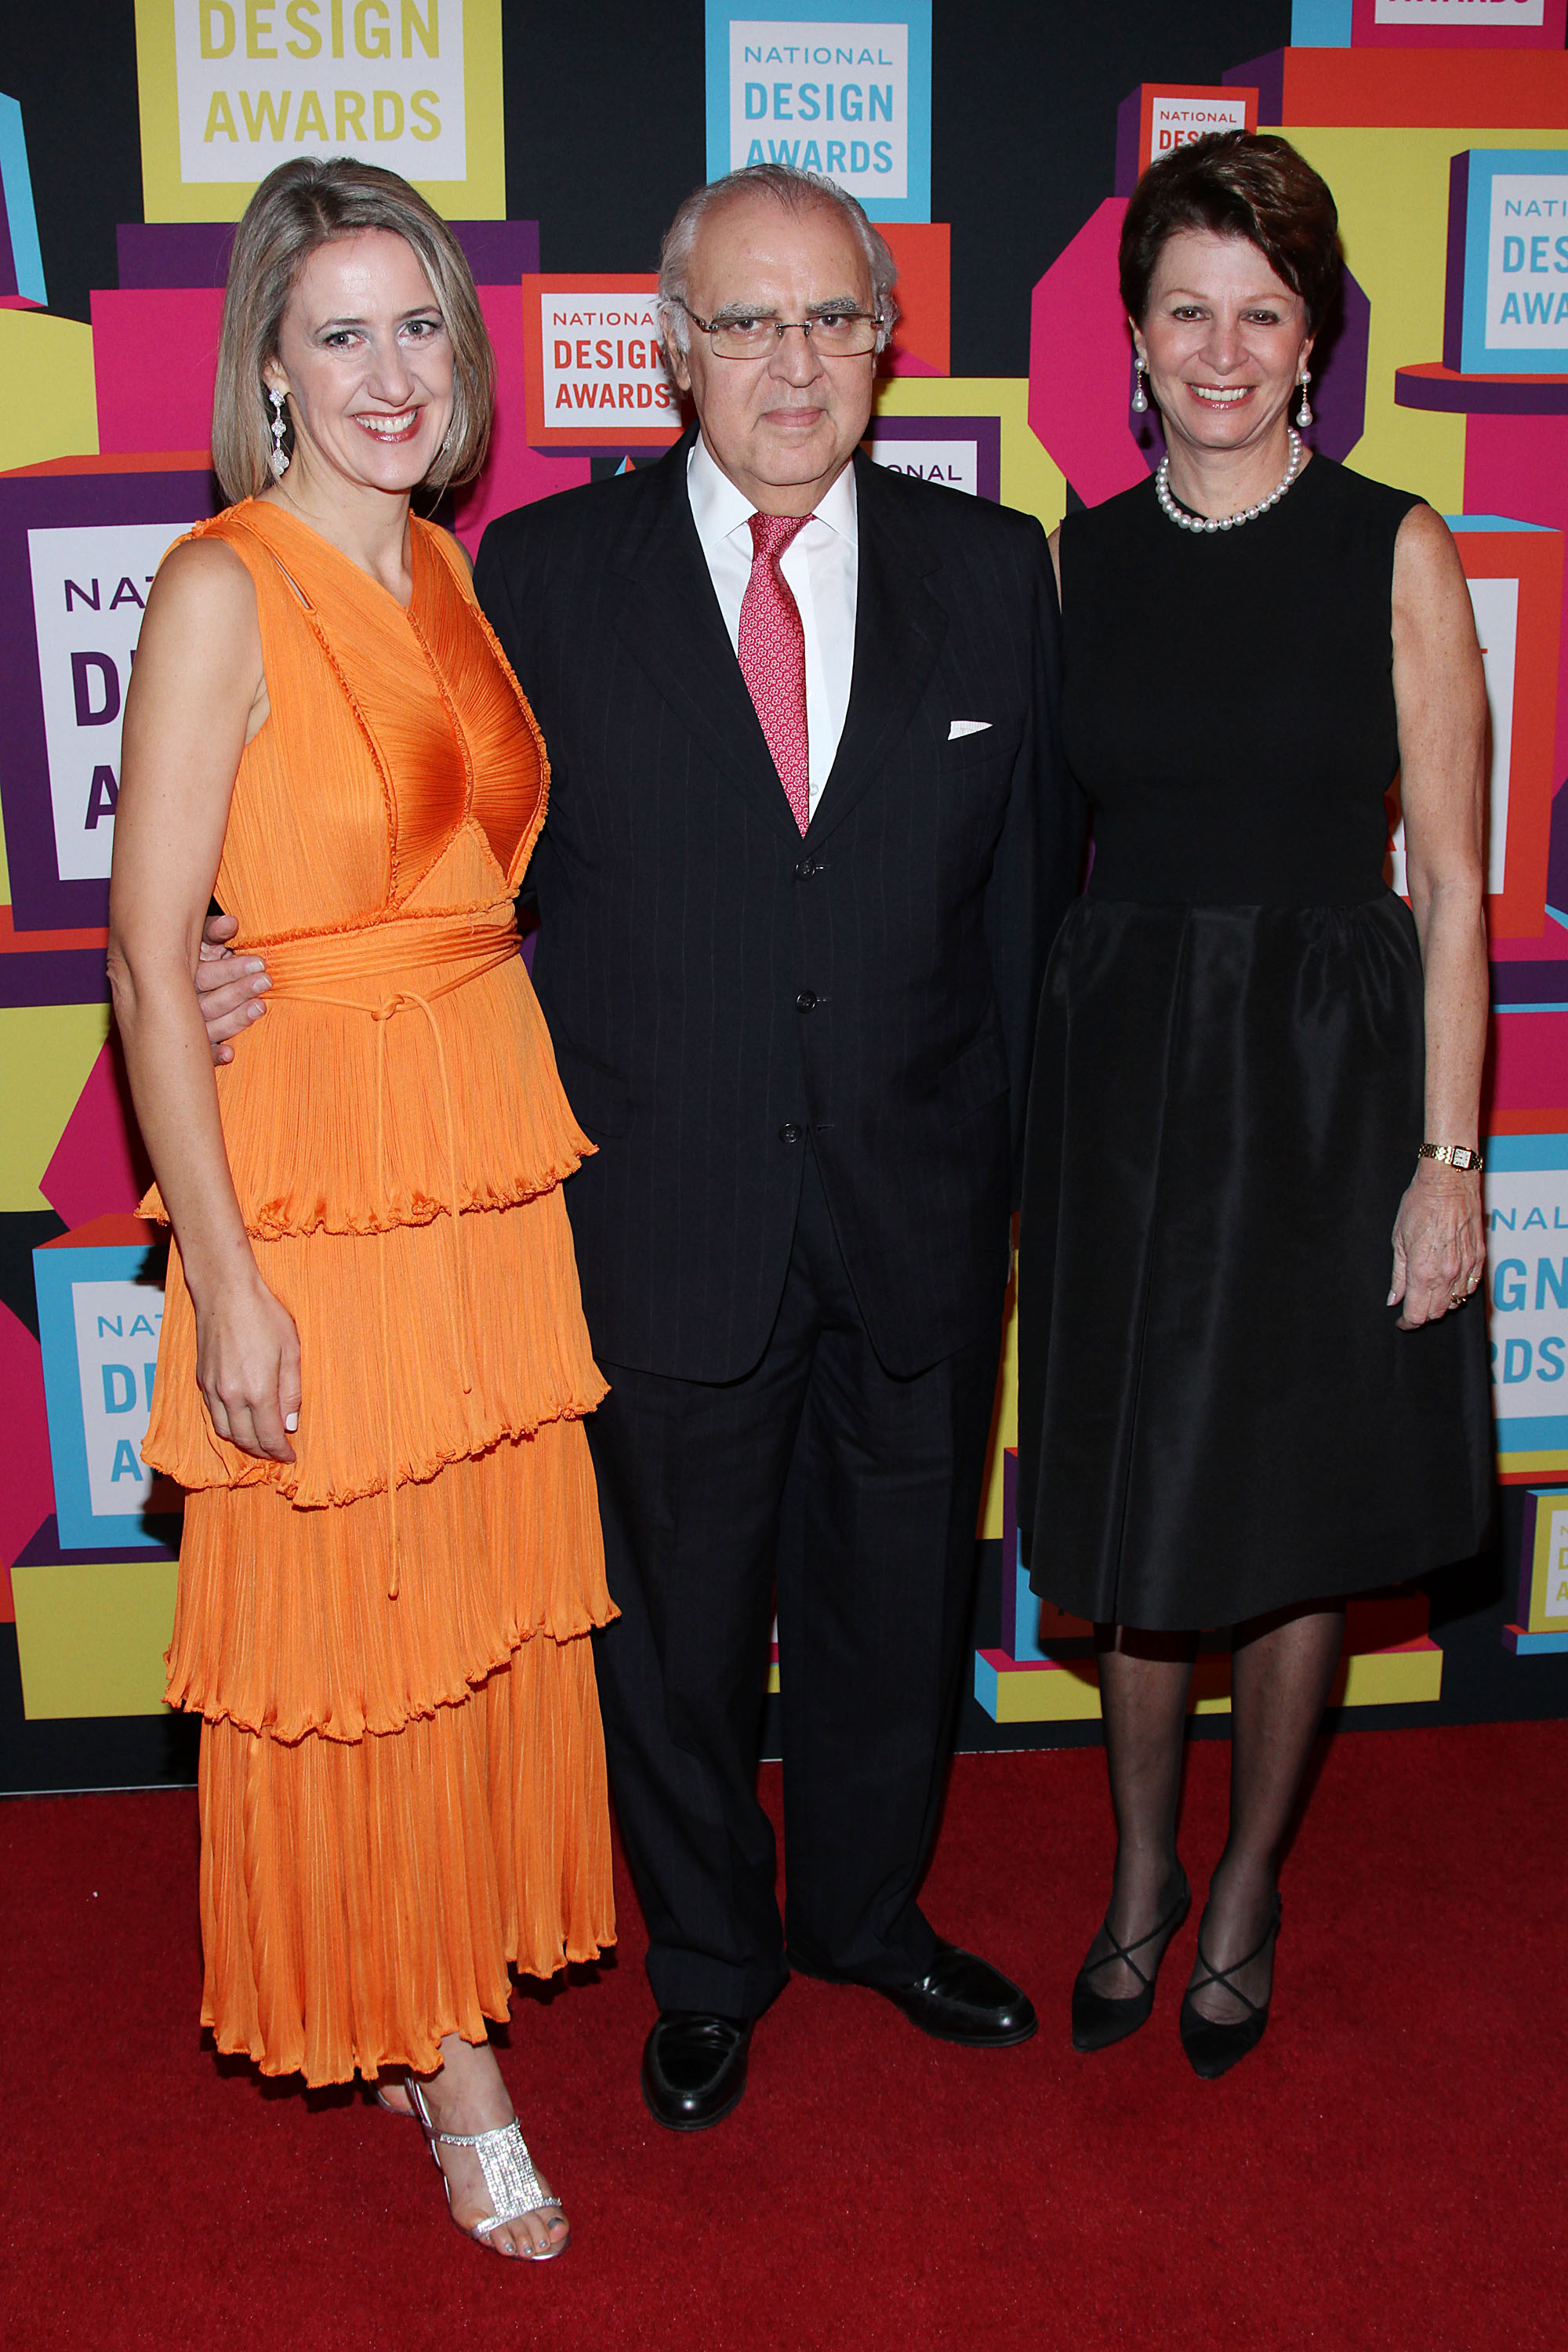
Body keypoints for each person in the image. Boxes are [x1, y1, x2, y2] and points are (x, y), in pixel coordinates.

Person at [200, 162, 1080, 2130]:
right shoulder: (535, 578)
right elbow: (412, 844)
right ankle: (710, 1960)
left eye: (833, 319)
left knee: (894, 1605)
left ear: (885, 344)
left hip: (919, 1207)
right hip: (656, 1207)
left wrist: (1004, 1199)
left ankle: (864, 1911)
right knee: (669, 1629)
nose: (793, 360)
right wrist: (211, 949)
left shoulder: (994, 567)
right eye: (746, 321)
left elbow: (1028, 920)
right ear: (670, 351)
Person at [108, 157, 615, 2257]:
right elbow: (150, 956)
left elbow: (462, 890)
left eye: (420, 324)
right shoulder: (223, 584)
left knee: (467, 1617)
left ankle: (446, 1973)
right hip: (317, 1171)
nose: (392, 371)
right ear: (269, 370)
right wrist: (221, 1279)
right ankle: (444, 2056)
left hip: (480, 1150)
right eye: (343, 333)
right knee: (357, 1627)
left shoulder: (444, 574)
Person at [1015, 131, 1493, 2079]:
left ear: (1314, 343)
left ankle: (1245, 1885)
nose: (1223, 351)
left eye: (1263, 315)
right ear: (1136, 334)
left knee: (1288, 1511)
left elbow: (1455, 884)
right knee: (1142, 1506)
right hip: (1127, 1068)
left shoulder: (1397, 542)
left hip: (1323, 1065)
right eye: (1188, 310)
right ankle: (1137, 1872)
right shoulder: (1081, 559)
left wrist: (1446, 1160)